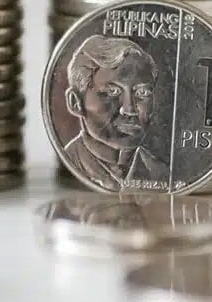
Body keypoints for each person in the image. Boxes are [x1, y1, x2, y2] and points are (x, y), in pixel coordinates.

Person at [62, 35, 170, 188]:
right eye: (113, 91)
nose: (130, 110)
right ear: (75, 102)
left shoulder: (162, 174)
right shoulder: (67, 165)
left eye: (142, 93)